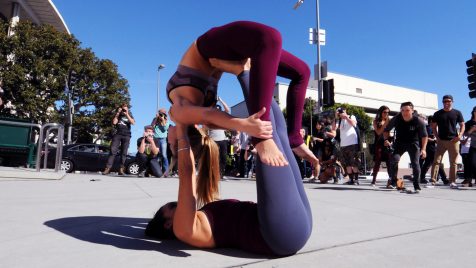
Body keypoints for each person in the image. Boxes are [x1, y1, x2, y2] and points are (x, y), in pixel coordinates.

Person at [145, 68, 312, 255]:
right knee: (268, 134)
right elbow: (187, 173)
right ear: (168, 224)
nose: (177, 202)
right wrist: (181, 129)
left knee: (278, 132)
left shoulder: (202, 215)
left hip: (293, 224)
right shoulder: (184, 230)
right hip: (280, 232)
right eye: (172, 206)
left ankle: (256, 69)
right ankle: (245, 71)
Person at [166, 20, 316, 168]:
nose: (167, 136)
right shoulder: (183, 115)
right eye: (170, 143)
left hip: (210, 46)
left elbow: (210, 115)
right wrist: (247, 125)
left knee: (272, 40)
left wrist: (246, 125)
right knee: (301, 70)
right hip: (230, 53)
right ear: (179, 139)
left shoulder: (181, 112)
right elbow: (209, 116)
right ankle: (275, 138)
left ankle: (289, 138)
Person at [384, 102, 428, 192]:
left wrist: (423, 149)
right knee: (394, 159)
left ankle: (416, 185)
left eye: (407, 110)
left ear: (412, 110)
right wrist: (386, 140)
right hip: (399, 143)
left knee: (415, 163)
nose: (405, 112)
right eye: (402, 110)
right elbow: (386, 130)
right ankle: (393, 182)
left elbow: (424, 136)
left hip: (413, 143)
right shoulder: (396, 119)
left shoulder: (419, 121)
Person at [430, 95, 465, 189]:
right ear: (443, 102)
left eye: (448, 101)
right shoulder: (437, 113)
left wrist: (460, 136)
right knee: (436, 161)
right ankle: (433, 181)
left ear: (452, 101)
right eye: (444, 101)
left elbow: (462, 125)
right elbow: (433, 126)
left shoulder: (457, 113)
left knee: (453, 162)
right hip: (441, 141)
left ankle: (452, 181)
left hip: (453, 140)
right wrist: (437, 137)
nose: (446, 103)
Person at [103, 103, 135, 175]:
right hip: (118, 134)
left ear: (127, 109)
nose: (124, 109)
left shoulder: (129, 114)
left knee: (124, 153)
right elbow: (114, 122)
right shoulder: (118, 114)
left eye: (125, 108)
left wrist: (127, 114)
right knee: (112, 151)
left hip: (126, 135)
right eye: (123, 108)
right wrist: (118, 112)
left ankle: (121, 169)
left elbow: (133, 123)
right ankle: (107, 168)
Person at [204, 96, 231, 179]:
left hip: (222, 140)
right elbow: (204, 128)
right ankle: (210, 173)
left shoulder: (222, 118)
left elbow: (227, 110)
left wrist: (221, 100)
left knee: (223, 158)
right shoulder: (209, 119)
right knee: (212, 158)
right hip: (213, 141)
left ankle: (220, 174)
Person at [333, 107, 360, 185]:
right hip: (343, 144)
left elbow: (353, 124)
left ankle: (356, 180)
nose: (341, 113)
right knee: (347, 163)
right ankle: (351, 180)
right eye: (339, 111)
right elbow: (334, 128)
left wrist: (346, 117)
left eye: (342, 111)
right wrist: (336, 117)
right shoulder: (339, 120)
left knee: (354, 162)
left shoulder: (351, 116)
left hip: (352, 143)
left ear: (345, 111)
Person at [420, 115, 449, 185]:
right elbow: (426, 138)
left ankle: (422, 177)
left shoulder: (429, 128)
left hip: (430, 148)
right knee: (437, 162)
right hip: (430, 148)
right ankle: (444, 179)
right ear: (432, 121)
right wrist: (434, 140)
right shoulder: (429, 128)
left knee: (427, 163)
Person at [370, 106, 391, 187]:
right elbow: (378, 132)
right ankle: (373, 180)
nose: (386, 114)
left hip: (388, 143)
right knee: (377, 162)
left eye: (388, 112)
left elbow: (391, 133)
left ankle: (391, 179)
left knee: (389, 162)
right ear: (381, 112)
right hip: (379, 143)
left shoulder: (390, 121)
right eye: (385, 112)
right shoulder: (376, 121)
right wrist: (385, 124)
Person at [151, 108, 170, 176]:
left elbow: (165, 129)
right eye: (160, 113)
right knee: (155, 155)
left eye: (162, 114)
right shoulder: (155, 120)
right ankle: (156, 171)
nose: (161, 115)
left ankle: (166, 172)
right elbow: (152, 126)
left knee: (164, 156)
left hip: (163, 139)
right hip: (155, 139)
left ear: (165, 115)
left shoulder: (167, 121)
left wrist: (163, 120)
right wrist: (156, 118)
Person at [462, 106, 476, 187]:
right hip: (470, 145)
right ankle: (468, 180)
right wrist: (472, 130)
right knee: (471, 163)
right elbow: (464, 135)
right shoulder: (468, 123)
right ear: (473, 112)